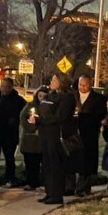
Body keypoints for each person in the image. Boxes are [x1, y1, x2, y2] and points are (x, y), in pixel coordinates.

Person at [33, 74, 77, 205]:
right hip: (45, 134)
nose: (51, 82)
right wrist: (35, 118)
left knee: (55, 164)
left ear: (62, 82)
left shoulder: (67, 97)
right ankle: (49, 192)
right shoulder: (49, 95)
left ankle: (57, 194)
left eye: (54, 80)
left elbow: (60, 117)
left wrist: (41, 120)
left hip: (56, 135)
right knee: (46, 164)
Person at [0, 77, 27, 187]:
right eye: (3, 86)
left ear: (11, 87)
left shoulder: (18, 100)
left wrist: (13, 121)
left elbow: (24, 114)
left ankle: (10, 178)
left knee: (9, 157)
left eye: (7, 86)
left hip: (9, 133)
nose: (4, 89)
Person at [74, 75, 107, 196]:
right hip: (75, 133)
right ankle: (76, 185)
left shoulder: (99, 99)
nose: (82, 87)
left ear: (90, 84)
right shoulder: (73, 96)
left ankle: (83, 186)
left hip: (90, 133)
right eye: (80, 85)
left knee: (88, 160)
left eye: (85, 85)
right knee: (76, 159)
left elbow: (100, 115)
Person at [19, 87, 48, 191]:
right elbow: (23, 118)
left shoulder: (48, 107)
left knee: (44, 162)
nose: (42, 98)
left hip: (42, 139)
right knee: (30, 162)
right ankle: (31, 182)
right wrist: (33, 128)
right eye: (40, 96)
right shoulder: (30, 106)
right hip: (30, 139)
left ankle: (42, 183)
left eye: (44, 96)